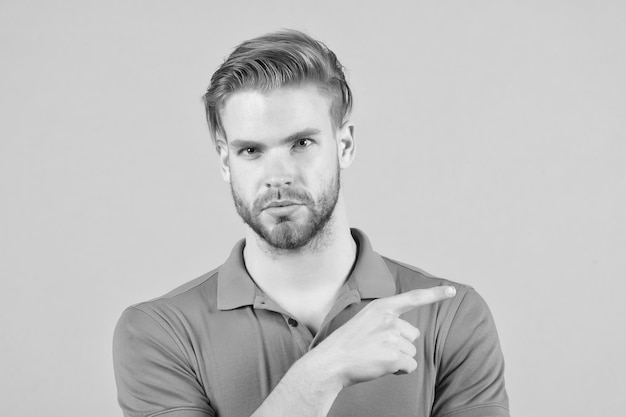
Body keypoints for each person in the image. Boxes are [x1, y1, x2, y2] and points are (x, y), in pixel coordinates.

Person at [113, 30, 510, 417]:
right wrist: (321, 373)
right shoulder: (159, 331)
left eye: (301, 143)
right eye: (251, 150)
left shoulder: (451, 315)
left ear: (345, 146)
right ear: (224, 161)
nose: (278, 175)